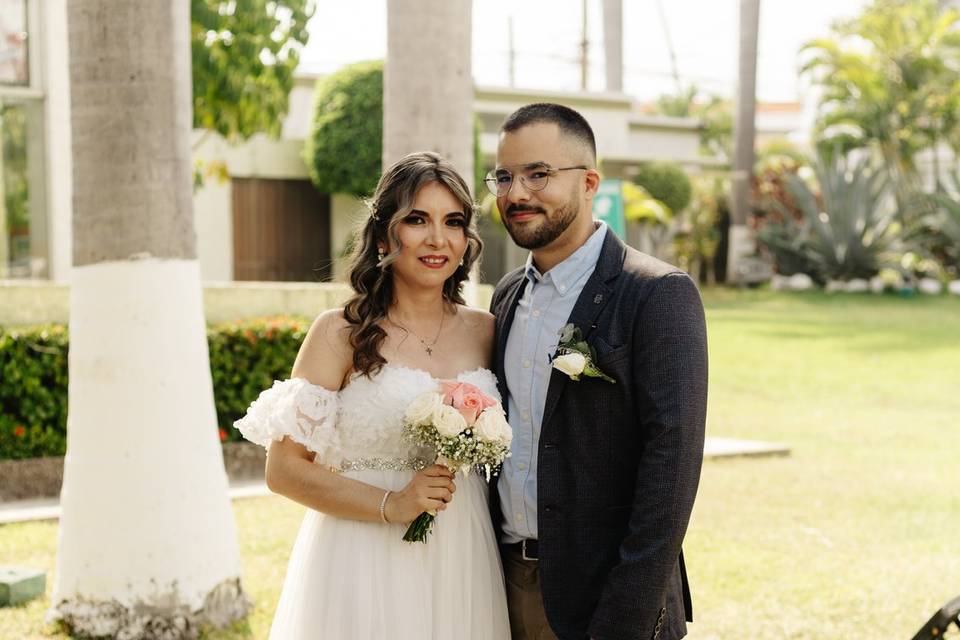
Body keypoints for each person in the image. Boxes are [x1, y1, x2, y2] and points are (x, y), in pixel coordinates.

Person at [235, 151, 510, 639]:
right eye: (417, 220)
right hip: (363, 550)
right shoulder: (339, 333)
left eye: (453, 222)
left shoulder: (487, 331)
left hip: (462, 547)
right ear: (386, 234)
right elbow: (284, 470)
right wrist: (392, 503)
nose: (437, 239)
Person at [487, 103, 708, 640]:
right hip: (501, 583)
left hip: (607, 600)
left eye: (539, 174)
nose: (517, 194)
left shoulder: (656, 293)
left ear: (589, 183)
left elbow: (671, 472)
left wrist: (625, 617)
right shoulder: (506, 297)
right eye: (505, 176)